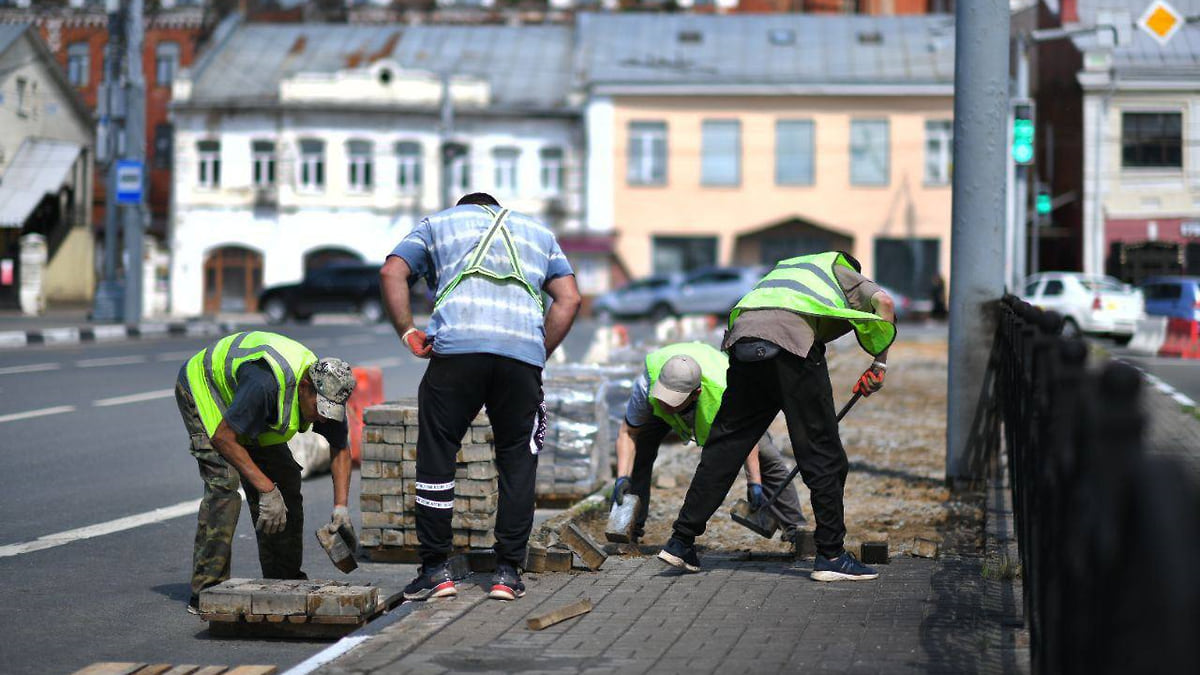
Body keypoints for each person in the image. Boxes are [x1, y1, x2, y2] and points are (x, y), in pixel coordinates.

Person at [381, 192, 581, 602]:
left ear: (462, 210)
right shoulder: (540, 233)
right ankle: (508, 573)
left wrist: (407, 329)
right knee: (517, 460)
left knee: (438, 454)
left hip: (457, 353)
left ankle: (436, 571)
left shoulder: (438, 225)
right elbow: (570, 298)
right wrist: (537, 351)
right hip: (520, 358)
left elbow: (392, 272)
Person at [658, 251, 896, 582]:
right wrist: (879, 365)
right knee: (823, 453)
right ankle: (831, 555)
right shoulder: (845, 274)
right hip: (789, 347)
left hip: (744, 341)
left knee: (725, 447)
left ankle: (681, 541)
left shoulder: (788, 270)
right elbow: (883, 303)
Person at [175, 331, 357, 614]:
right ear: (306, 386)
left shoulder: (329, 390)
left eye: (329, 413)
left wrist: (341, 508)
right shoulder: (266, 384)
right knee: (224, 485)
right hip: (208, 391)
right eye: (319, 409)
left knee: (286, 480)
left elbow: (340, 448)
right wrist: (265, 489)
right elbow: (223, 439)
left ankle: (283, 581)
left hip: (248, 406)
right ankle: (207, 589)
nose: (323, 417)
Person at [612, 342, 806, 544]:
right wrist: (622, 477)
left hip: (722, 395)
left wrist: (754, 483)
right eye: (664, 398)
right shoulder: (647, 384)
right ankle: (626, 526)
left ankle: (795, 529)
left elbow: (748, 438)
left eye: (673, 400)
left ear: (696, 394)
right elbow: (628, 432)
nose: (666, 404)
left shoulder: (725, 391)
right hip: (667, 391)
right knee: (639, 452)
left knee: (767, 455)